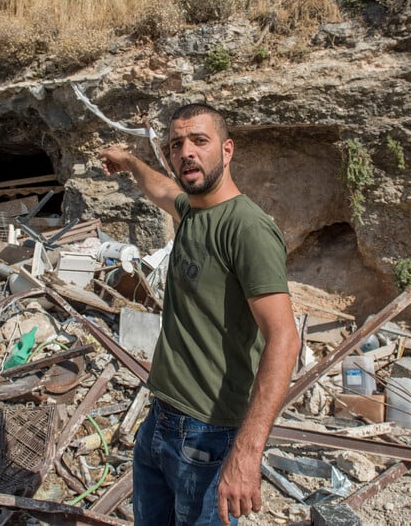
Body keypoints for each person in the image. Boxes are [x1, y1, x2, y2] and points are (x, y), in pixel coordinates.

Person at [99, 104, 300, 526]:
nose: (186, 152)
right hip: (160, 419)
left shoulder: (247, 228)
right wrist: (131, 162)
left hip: (207, 435)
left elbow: (285, 338)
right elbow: (159, 190)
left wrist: (247, 454)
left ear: (227, 151)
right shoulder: (192, 211)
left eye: (199, 141)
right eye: (176, 145)